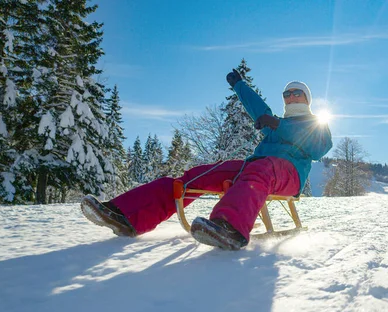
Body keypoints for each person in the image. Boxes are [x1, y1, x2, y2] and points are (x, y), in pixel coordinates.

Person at [81, 68, 333, 250]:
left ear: (307, 99)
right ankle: (126, 214)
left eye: (296, 93)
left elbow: (317, 148)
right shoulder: (276, 123)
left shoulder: (315, 124)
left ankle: (229, 227)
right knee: (201, 174)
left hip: (289, 174)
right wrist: (239, 85)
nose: (291, 97)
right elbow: (259, 109)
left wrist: (279, 126)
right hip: (257, 167)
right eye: (287, 94)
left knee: (262, 169)